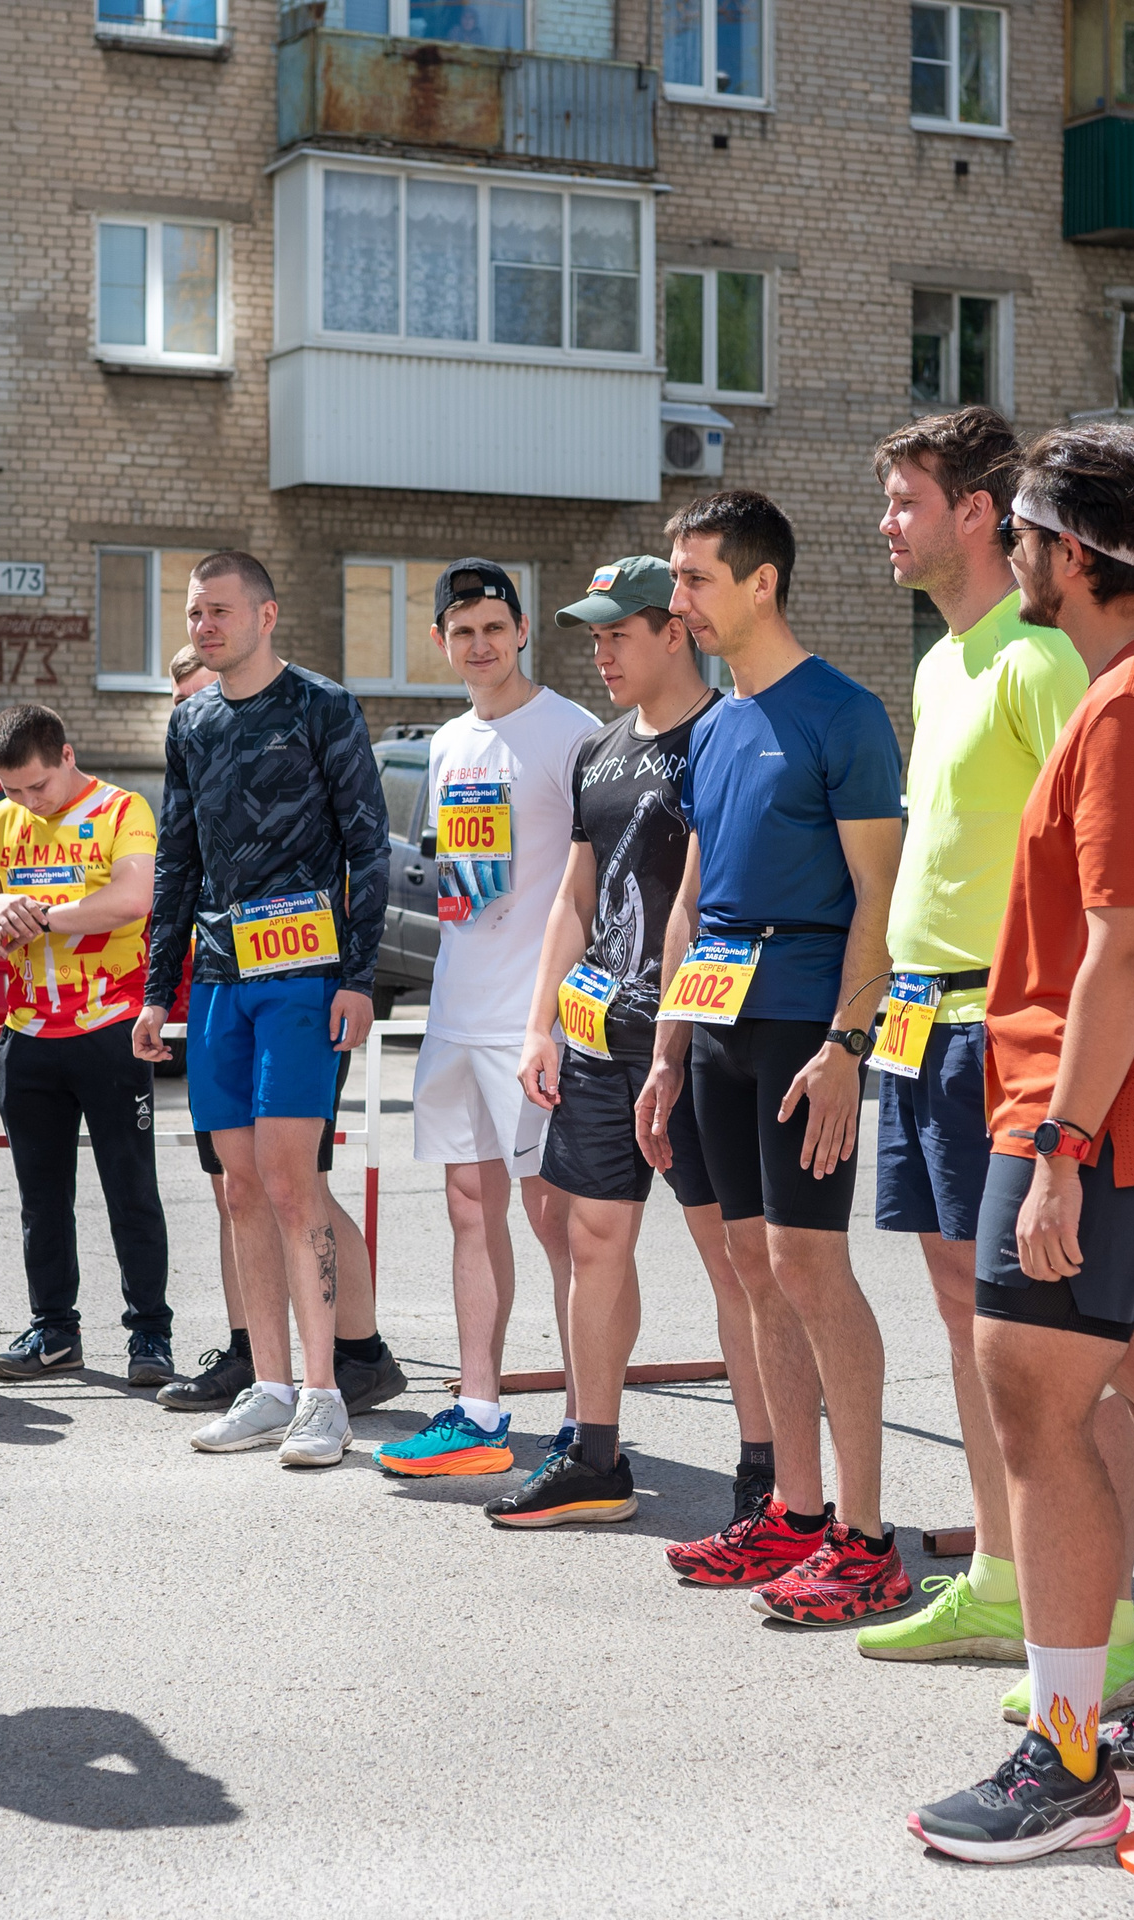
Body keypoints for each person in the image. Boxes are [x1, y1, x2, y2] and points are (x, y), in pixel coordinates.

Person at [910, 424, 1134, 1863]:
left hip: (1088, 1116)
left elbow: (1121, 952)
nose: (1022, 562)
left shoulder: (1123, 710)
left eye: (1030, 541)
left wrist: (1057, 1142)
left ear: (1062, 552)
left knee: (1040, 1424)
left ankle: (1065, 1763)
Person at [852, 412, 1134, 1708]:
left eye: (906, 499)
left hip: (998, 1034)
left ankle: (1111, 1623)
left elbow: (1105, 881)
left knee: (1057, 1343)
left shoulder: (1039, 662)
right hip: (921, 1026)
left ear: (981, 512)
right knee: (971, 1327)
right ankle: (1000, 1579)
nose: (887, 523)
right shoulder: (939, 664)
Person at [641, 490, 912, 1624]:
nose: (679, 600)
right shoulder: (710, 724)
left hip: (809, 1025)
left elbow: (878, 898)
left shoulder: (842, 715)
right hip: (715, 1024)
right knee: (750, 1267)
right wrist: (663, 1050)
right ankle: (794, 1514)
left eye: (696, 578)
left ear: (760, 583)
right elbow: (694, 898)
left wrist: (850, 1045)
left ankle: (865, 1537)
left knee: (810, 1268)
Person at [487, 556, 771, 1526]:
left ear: (673, 630)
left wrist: (685, 1038)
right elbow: (573, 898)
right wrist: (540, 1024)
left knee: (734, 1260)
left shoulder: (723, 735)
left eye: (618, 633)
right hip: (598, 1035)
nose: (600, 652)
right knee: (589, 1233)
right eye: (593, 636)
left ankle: (765, 1470)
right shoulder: (597, 749)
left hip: (695, 1036)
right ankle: (594, 1453)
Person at [135, 550, 390, 1470]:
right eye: (195, 611)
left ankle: (325, 1395)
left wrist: (359, 978)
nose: (203, 624)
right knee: (238, 1187)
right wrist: (156, 995)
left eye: (220, 610)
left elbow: (368, 846)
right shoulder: (193, 722)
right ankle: (270, 1384)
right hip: (217, 981)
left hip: (305, 976)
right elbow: (175, 862)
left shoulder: (324, 706)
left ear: (266, 614)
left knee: (290, 1182)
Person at [377, 561, 590, 1482]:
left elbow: (592, 885)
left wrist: (559, 1013)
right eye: (463, 632)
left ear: (523, 629)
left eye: (494, 627)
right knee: (471, 1209)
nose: (480, 645)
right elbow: (467, 886)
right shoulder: (449, 744)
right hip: (456, 1010)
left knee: (559, 1221)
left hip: (532, 1022)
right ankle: (478, 1409)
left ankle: (590, 1422)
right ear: (441, 643)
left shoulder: (573, 733)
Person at [0, 703, 172, 1387]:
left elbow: (134, 898)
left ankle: (150, 1338)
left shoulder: (123, 809)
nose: (24, 802)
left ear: (67, 756)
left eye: (36, 787)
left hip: (110, 1027)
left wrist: (38, 912)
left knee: (129, 1188)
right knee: (40, 1196)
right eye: (10, 789)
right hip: (26, 1034)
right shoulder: (1, 821)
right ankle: (54, 1331)